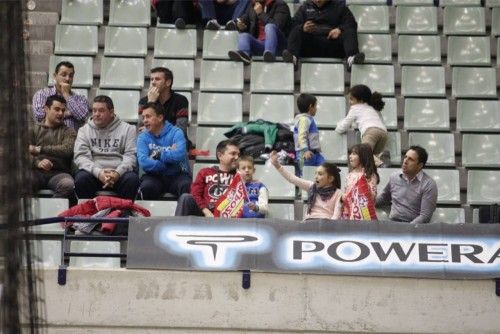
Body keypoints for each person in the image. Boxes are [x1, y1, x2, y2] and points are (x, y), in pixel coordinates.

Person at [74, 95, 140, 200]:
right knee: (81, 179)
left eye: (101, 111)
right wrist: (98, 172)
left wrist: (117, 173)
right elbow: (81, 157)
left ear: (111, 112)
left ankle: (123, 212)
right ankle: (88, 213)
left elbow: (131, 156)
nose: (96, 114)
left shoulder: (128, 129)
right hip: (94, 173)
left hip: (119, 174)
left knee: (132, 180)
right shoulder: (84, 130)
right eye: (94, 111)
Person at [282, 0, 364, 70]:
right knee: (296, 29)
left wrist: (340, 29)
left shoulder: (340, 7)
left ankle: (351, 59)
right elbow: (292, 26)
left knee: (349, 31)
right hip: (310, 46)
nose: (317, 0)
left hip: (333, 45)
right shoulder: (304, 8)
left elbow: (352, 24)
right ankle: (293, 58)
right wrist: (302, 27)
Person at [136, 102, 191, 200]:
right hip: (154, 176)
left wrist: (157, 155)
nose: (144, 120)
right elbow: (143, 162)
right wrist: (168, 164)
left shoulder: (176, 132)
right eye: (143, 117)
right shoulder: (142, 137)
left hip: (177, 175)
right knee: (146, 188)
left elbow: (179, 155)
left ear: (160, 117)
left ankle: (184, 215)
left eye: (148, 117)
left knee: (187, 186)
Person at [30, 95, 77, 205]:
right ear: (46, 109)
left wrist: (39, 149)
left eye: (63, 110)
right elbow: (22, 153)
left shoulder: (69, 131)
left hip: (59, 173)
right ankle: (30, 216)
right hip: (36, 171)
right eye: (57, 109)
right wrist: (37, 162)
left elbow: (67, 150)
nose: (61, 113)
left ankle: (51, 214)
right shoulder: (33, 129)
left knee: (68, 184)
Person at [270, 150, 342, 220]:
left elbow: (336, 216)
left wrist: (328, 229)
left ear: (330, 179)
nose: (316, 176)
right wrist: (277, 165)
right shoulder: (312, 186)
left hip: (327, 226)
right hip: (309, 223)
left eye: (320, 174)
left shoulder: (338, 193)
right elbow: (292, 178)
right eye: (315, 173)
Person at [175, 140, 240, 216]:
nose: (237, 157)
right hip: (205, 213)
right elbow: (195, 194)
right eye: (233, 153)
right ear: (220, 156)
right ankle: (177, 228)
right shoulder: (205, 172)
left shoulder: (240, 176)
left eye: (238, 154)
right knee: (185, 198)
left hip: (229, 215)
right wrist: (206, 211)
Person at [376, 146, 438, 224]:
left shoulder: (429, 184)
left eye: (410, 159)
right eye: (405, 157)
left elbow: (425, 217)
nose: (405, 161)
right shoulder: (394, 177)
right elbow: (383, 198)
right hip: (392, 224)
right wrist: (366, 201)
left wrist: (407, 229)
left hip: (414, 229)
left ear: (420, 165)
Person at [138, 67, 192, 150]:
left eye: (157, 79)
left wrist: (155, 129)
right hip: (152, 142)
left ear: (168, 82)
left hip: (174, 143)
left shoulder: (181, 100)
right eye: (151, 79)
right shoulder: (144, 102)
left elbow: (180, 130)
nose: (153, 82)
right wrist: (151, 103)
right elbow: (143, 129)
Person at [335, 84, 388, 167]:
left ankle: (381, 163)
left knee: (363, 153)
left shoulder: (355, 108)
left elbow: (344, 125)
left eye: (351, 99)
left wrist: (338, 127)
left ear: (361, 100)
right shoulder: (373, 108)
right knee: (371, 157)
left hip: (370, 132)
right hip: (383, 133)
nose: (349, 102)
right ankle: (382, 157)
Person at [227, 0, 291, 64]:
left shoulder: (280, 5)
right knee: (243, 35)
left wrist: (261, 14)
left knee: (269, 27)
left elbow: (278, 26)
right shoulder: (253, 6)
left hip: (279, 46)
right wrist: (241, 26)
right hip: (261, 45)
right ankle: (245, 55)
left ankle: (270, 54)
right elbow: (245, 20)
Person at [32, 60, 89, 130]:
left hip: (72, 139)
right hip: (48, 137)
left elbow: (83, 116)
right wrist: (68, 113)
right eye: (64, 75)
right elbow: (39, 116)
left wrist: (67, 95)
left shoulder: (80, 98)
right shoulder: (42, 94)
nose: (68, 79)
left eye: (71, 76)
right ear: (55, 76)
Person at [341, 144, 379, 220]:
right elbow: (346, 193)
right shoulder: (349, 175)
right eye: (350, 153)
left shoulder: (370, 175)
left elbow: (372, 197)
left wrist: (363, 181)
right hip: (349, 213)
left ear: (363, 156)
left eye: (354, 154)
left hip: (364, 214)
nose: (350, 156)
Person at [294, 93, 324, 177]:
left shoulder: (308, 119)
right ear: (311, 106)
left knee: (326, 169)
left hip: (314, 153)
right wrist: (305, 150)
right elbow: (301, 136)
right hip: (305, 154)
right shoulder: (304, 120)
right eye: (316, 106)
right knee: (307, 177)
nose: (316, 109)